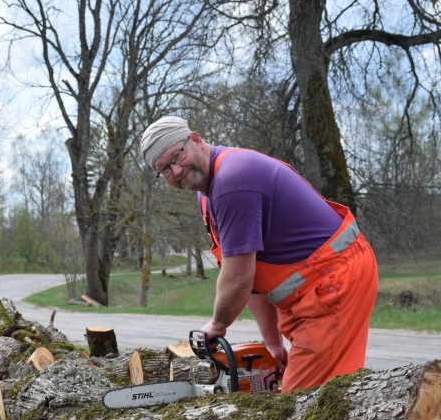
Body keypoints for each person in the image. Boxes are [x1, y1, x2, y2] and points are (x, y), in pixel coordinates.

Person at [139, 116, 378, 391]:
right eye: (164, 169)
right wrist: (273, 344)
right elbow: (252, 279)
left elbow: (238, 279)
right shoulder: (207, 192)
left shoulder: (232, 180)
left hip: (333, 281)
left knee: (304, 402)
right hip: (309, 292)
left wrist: (217, 324)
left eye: (177, 156)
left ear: (194, 139)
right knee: (304, 394)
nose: (177, 170)